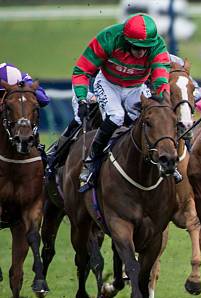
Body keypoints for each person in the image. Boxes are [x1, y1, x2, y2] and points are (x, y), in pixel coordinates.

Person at [62, 13, 173, 190]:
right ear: (126, 40)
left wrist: (162, 103)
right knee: (116, 116)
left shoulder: (158, 46)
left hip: (136, 87)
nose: (141, 52)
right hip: (108, 84)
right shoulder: (108, 38)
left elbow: (160, 80)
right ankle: (92, 159)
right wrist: (82, 99)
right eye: (136, 47)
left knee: (152, 118)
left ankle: (162, 161)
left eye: (146, 48)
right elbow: (82, 70)